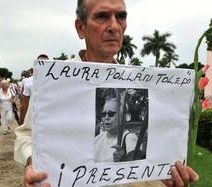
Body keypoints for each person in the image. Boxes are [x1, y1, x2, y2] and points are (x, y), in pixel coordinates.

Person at [14, 0, 199, 186]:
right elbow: (26, 134)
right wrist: (33, 161)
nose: (113, 26)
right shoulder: (53, 82)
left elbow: (149, 166)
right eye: (102, 16)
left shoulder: (142, 83)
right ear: (80, 27)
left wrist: (168, 173)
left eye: (120, 17)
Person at [19, 54, 49, 125]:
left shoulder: (55, 81)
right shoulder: (28, 81)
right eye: (40, 63)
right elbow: (24, 105)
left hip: (49, 118)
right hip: (33, 118)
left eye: (45, 63)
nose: (43, 66)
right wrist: (21, 123)